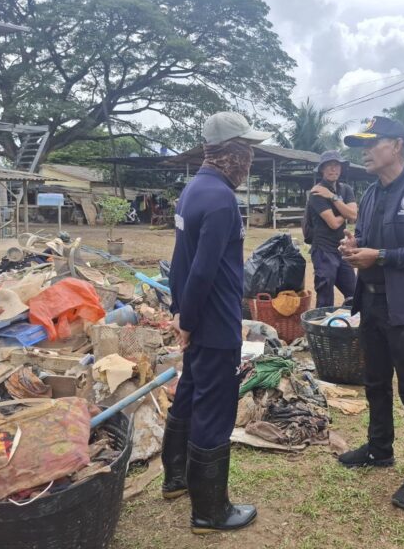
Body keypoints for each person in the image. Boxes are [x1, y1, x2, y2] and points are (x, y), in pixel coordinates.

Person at [163, 112, 269, 533]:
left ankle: (175, 478)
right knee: (214, 409)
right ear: (230, 152)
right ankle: (210, 511)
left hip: (196, 318)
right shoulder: (222, 200)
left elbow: (180, 263)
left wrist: (179, 312)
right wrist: (188, 320)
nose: (250, 159)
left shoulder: (193, 190)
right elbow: (203, 270)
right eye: (247, 150)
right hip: (215, 323)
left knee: (190, 393)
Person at [338, 116, 404, 511]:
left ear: (397, 145)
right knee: (375, 381)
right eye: (362, 146)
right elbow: (368, 242)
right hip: (370, 302)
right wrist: (354, 248)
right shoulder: (370, 194)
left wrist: (380, 256)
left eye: (372, 144)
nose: (365, 152)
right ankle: (379, 448)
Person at [306, 150, 358, 308]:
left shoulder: (346, 189)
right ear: (322, 169)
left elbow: (354, 216)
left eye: (336, 165)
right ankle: (322, 324)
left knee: (354, 292)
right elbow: (334, 223)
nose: (333, 169)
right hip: (323, 250)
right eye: (328, 165)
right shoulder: (316, 192)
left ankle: (347, 322)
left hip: (341, 248)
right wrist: (345, 210)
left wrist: (332, 197)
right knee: (325, 296)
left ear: (341, 169)